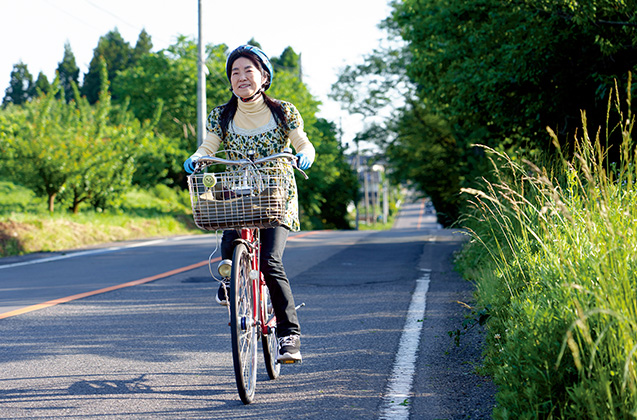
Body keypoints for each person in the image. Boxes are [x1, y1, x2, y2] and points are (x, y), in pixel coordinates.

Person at [183, 45, 315, 363]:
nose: (241, 77)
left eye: (248, 71)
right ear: (230, 81)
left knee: (270, 261)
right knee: (230, 234)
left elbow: (300, 140)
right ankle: (233, 280)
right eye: (234, 72)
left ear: (264, 76)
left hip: (277, 196)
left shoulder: (283, 111)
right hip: (241, 193)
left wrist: (306, 153)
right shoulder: (222, 115)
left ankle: (289, 336)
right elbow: (209, 144)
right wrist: (198, 157)